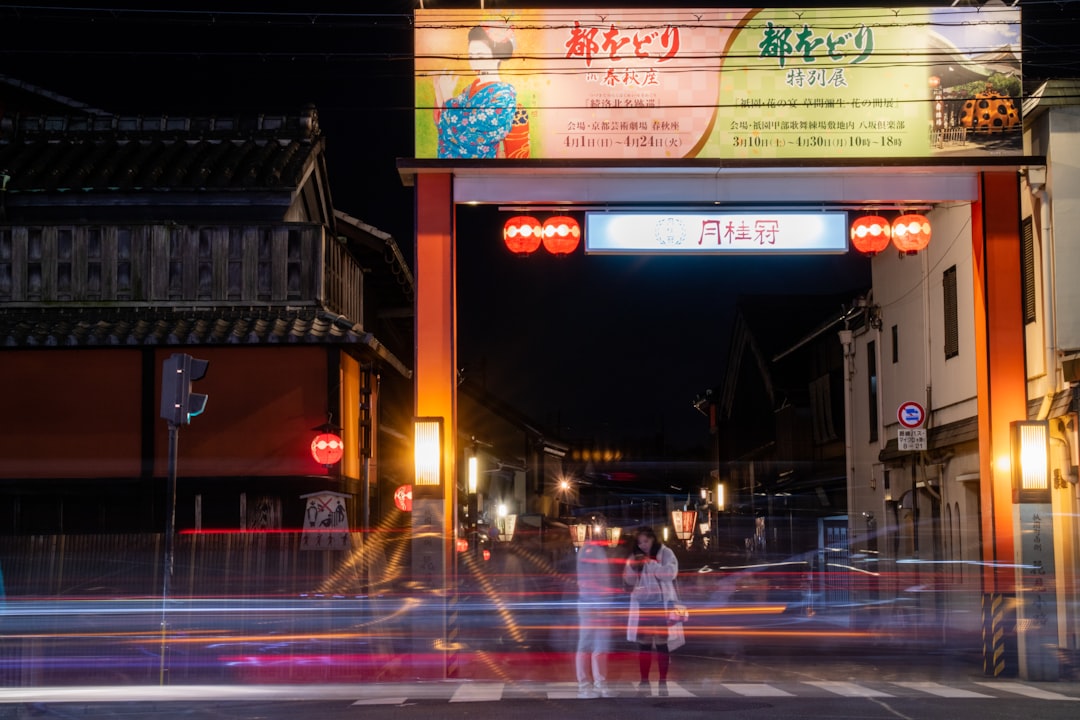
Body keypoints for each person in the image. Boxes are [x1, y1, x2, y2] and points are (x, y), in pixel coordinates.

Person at [432, 23, 530, 159]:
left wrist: (447, 97)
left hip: (484, 174)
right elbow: (444, 125)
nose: (474, 62)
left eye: (480, 55)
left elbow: (469, 136)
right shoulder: (467, 91)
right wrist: (439, 91)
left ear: (497, 56)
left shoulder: (504, 96)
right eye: (471, 56)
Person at [623, 525, 678, 697]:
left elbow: (670, 573)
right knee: (645, 644)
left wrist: (652, 564)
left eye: (646, 541)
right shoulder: (636, 556)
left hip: (662, 604)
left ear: (653, 539)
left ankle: (663, 682)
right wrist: (633, 566)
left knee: (662, 642)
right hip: (643, 605)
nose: (643, 545)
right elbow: (628, 581)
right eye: (640, 542)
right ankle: (644, 681)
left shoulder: (665, 552)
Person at [575, 540, 616, 698]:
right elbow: (588, 578)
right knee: (586, 644)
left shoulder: (597, 550)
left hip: (600, 602)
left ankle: (599, 682)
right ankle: (584, 684)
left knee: (600, 645)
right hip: (590, 602)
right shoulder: (588, 550)